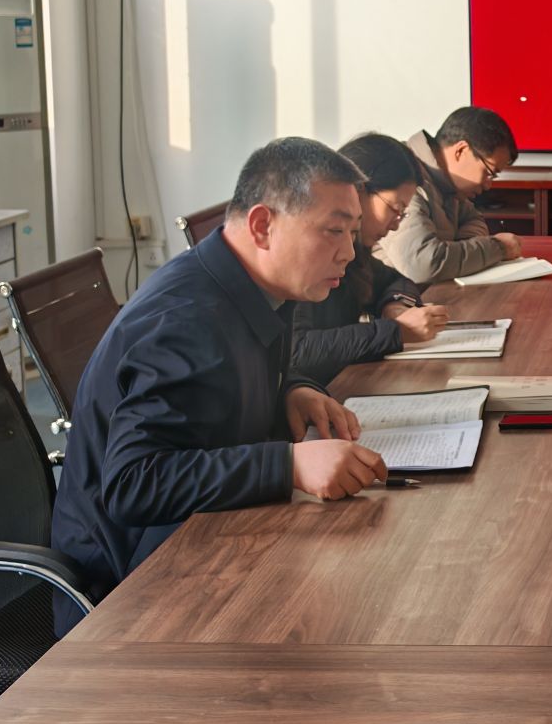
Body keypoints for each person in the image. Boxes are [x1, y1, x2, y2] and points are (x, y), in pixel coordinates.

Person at [49, 138, 390, 633]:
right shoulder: (184, 321)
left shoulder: (255, 285)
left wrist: (292, 388)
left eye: (353, 232)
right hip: (131, 599)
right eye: (334, 231)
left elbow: (216, 389)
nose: (348, 252)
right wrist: (289, 464)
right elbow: (132, 483)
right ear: (262, 226)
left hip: (210, 542)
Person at [290, 132, 451, 384]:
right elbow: (298, 351)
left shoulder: (355, 252)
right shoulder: (302, 251)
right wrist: (396, 332)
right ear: (358, 191)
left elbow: (395, 280)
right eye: (395, 209)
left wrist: (395, 306)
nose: (396, 225)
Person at [383, 106, 523, 286]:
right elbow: (422, 264)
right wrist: (498, 248)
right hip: (393, 299)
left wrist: (461, 251)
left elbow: (474, 219)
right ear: (461, 151)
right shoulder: (403, 179)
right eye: (489, 173)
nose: (488, 185)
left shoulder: (449, 185)